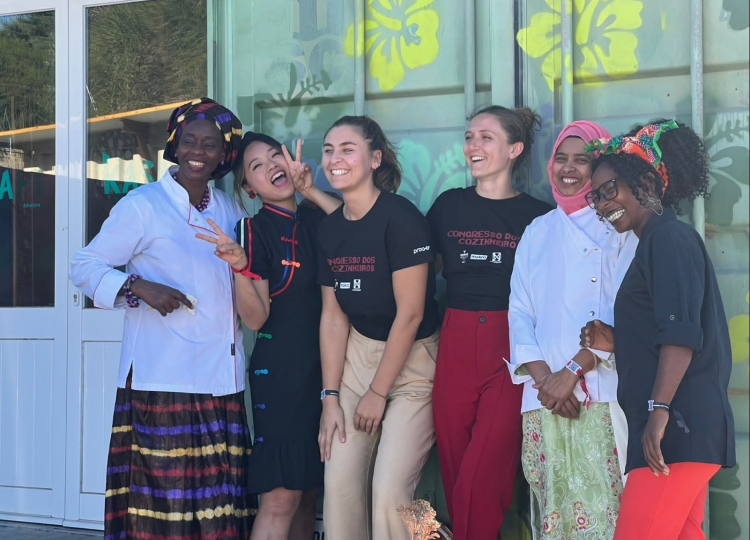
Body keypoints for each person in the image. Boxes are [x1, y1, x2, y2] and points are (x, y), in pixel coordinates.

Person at [70, 98, 255, 540]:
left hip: (220, 379)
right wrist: (137, 286)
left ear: (223, 154)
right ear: (175, 144)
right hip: (162, 377)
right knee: (161, 506)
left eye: (210, 144)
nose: (197, 152)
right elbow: (84, 265)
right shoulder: (144, 204)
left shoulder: (231, 210)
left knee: (219, 503)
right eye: (189, 141)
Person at [581, 120, 736, 540]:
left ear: (646, 182)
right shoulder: (656, 242)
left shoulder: (669, 239)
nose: (602, 204)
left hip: (675, 427)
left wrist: (659, 410)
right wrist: (617, 341)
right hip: (675, 427)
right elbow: (666, 330)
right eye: (596, 197)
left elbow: (680, 335)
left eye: (609, 190)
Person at [198, 132, 341, 540]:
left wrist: (310, 190)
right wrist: (241, 268)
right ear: (249, 189)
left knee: (309, 492)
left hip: (330, 369)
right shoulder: (252, 230)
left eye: (275, 156)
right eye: (256, 167)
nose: (271, 167)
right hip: (282, 375)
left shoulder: (318, 215)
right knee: (281, 498)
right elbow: (255, 319)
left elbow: (359, 228)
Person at [426, 105, 552, 540]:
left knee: (484, 475)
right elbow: (410, 267)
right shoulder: (448, 206)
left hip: (511, 347)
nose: (473, 145)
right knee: (454, 466)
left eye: (486, 137)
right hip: (454, 340)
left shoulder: (539, 216)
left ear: (514, 149)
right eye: (469, 137)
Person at [508, 120, 637, 540]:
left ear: (599, 170)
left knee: (606, 513)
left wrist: (572, 374)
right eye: (561, 158)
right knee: (554, 515)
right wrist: (547, 382)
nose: (569, 168)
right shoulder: (537, 230)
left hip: (598, 395)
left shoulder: (617, 227)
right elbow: (519, 310)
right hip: (544, 400)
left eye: (582, 160)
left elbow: (619, 312)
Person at [315, 115, 441, 540]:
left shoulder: (401, 218)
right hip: (358, 358)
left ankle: (429, 534)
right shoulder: (329, 229)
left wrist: (377, 392)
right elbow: (333, 317)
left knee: (392, 494)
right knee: (339, 487)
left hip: (414, 362)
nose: (335, 158)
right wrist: (331, 397)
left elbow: (411, 314)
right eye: (329, 150)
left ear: (374, 159)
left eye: (347, 149)